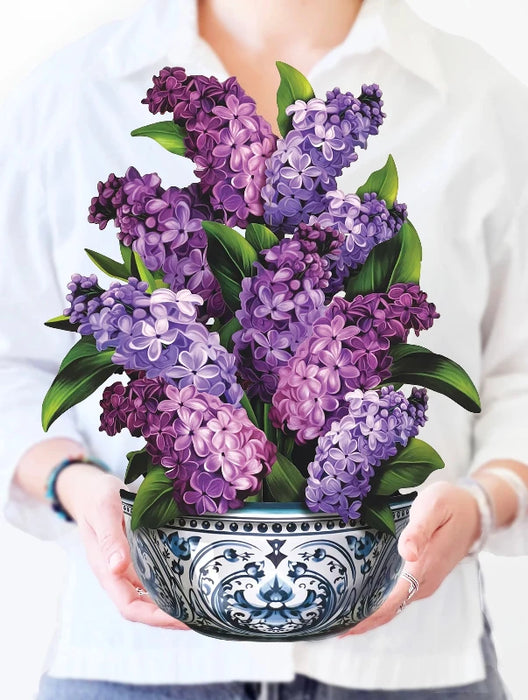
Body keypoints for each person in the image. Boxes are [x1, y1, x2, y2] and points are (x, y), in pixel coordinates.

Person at [2, 0, 527, 698]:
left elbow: (519, 374)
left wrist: (488, 503)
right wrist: (72, 486)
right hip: (135, 666)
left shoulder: (477, 97)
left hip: (412, 667)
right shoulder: (70, 91)